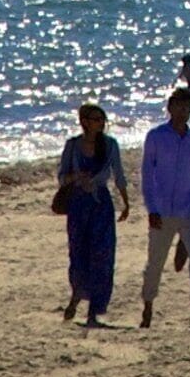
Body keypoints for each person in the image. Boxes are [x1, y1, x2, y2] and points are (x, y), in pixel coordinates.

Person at [135, 86, 190, 331]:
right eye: (178, 106)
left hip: (189, 209)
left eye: (186, 107)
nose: (182, 112)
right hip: (162, 210)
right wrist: (151, 208)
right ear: (169, 108)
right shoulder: (156, 136)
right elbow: (147, 175)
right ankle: (148, 307)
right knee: (155, 262)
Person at [55, 101, 133, 325]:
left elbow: (119, 175)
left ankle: (94, 311)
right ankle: (76, 296)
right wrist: (76, 177)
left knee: (103, 256)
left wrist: (126, 203)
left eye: (102, 120)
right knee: (79, 254)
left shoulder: (110, 145)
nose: (101, 124)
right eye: (96, 120)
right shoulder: (73, 146)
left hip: (101, 205)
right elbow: (61, 177)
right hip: (78, 205)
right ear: (84, 122)